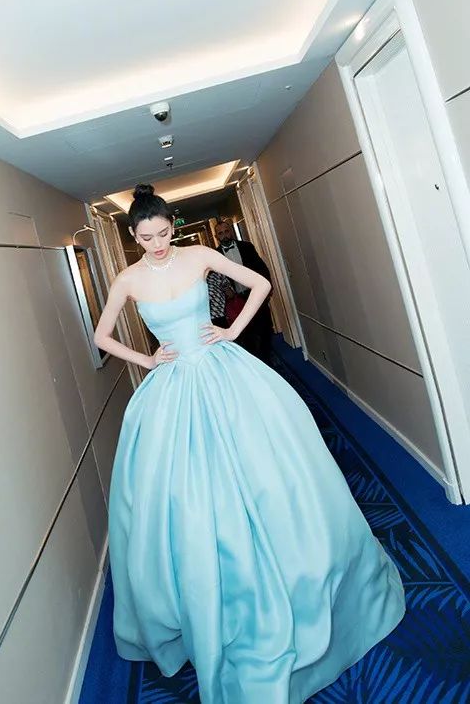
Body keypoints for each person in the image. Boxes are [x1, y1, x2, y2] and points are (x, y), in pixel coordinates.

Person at [94, 184, 405, 704]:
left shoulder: (199, 255)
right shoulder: (127, 279)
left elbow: (259, 283)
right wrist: (147, 360)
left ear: (172, 226)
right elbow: (102, 336)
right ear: (134, 236)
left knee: (270, 467)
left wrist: (232, 329)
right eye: (146, 238)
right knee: (181, 493)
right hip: (172, 388)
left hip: (224, 371)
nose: (158, 245)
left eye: (164, 233)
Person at [215, 219, 275, 359]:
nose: (224, 235)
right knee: (246, 332)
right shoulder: (215, 255)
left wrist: (267, 290)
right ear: (216, 236)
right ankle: (254, 358)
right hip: (235, 300)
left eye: (226, 231)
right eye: (221, 233)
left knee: (265, 326)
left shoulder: (247, 247)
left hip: (254, 294)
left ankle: (268, 357)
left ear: (231, 231)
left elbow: (261, 268)